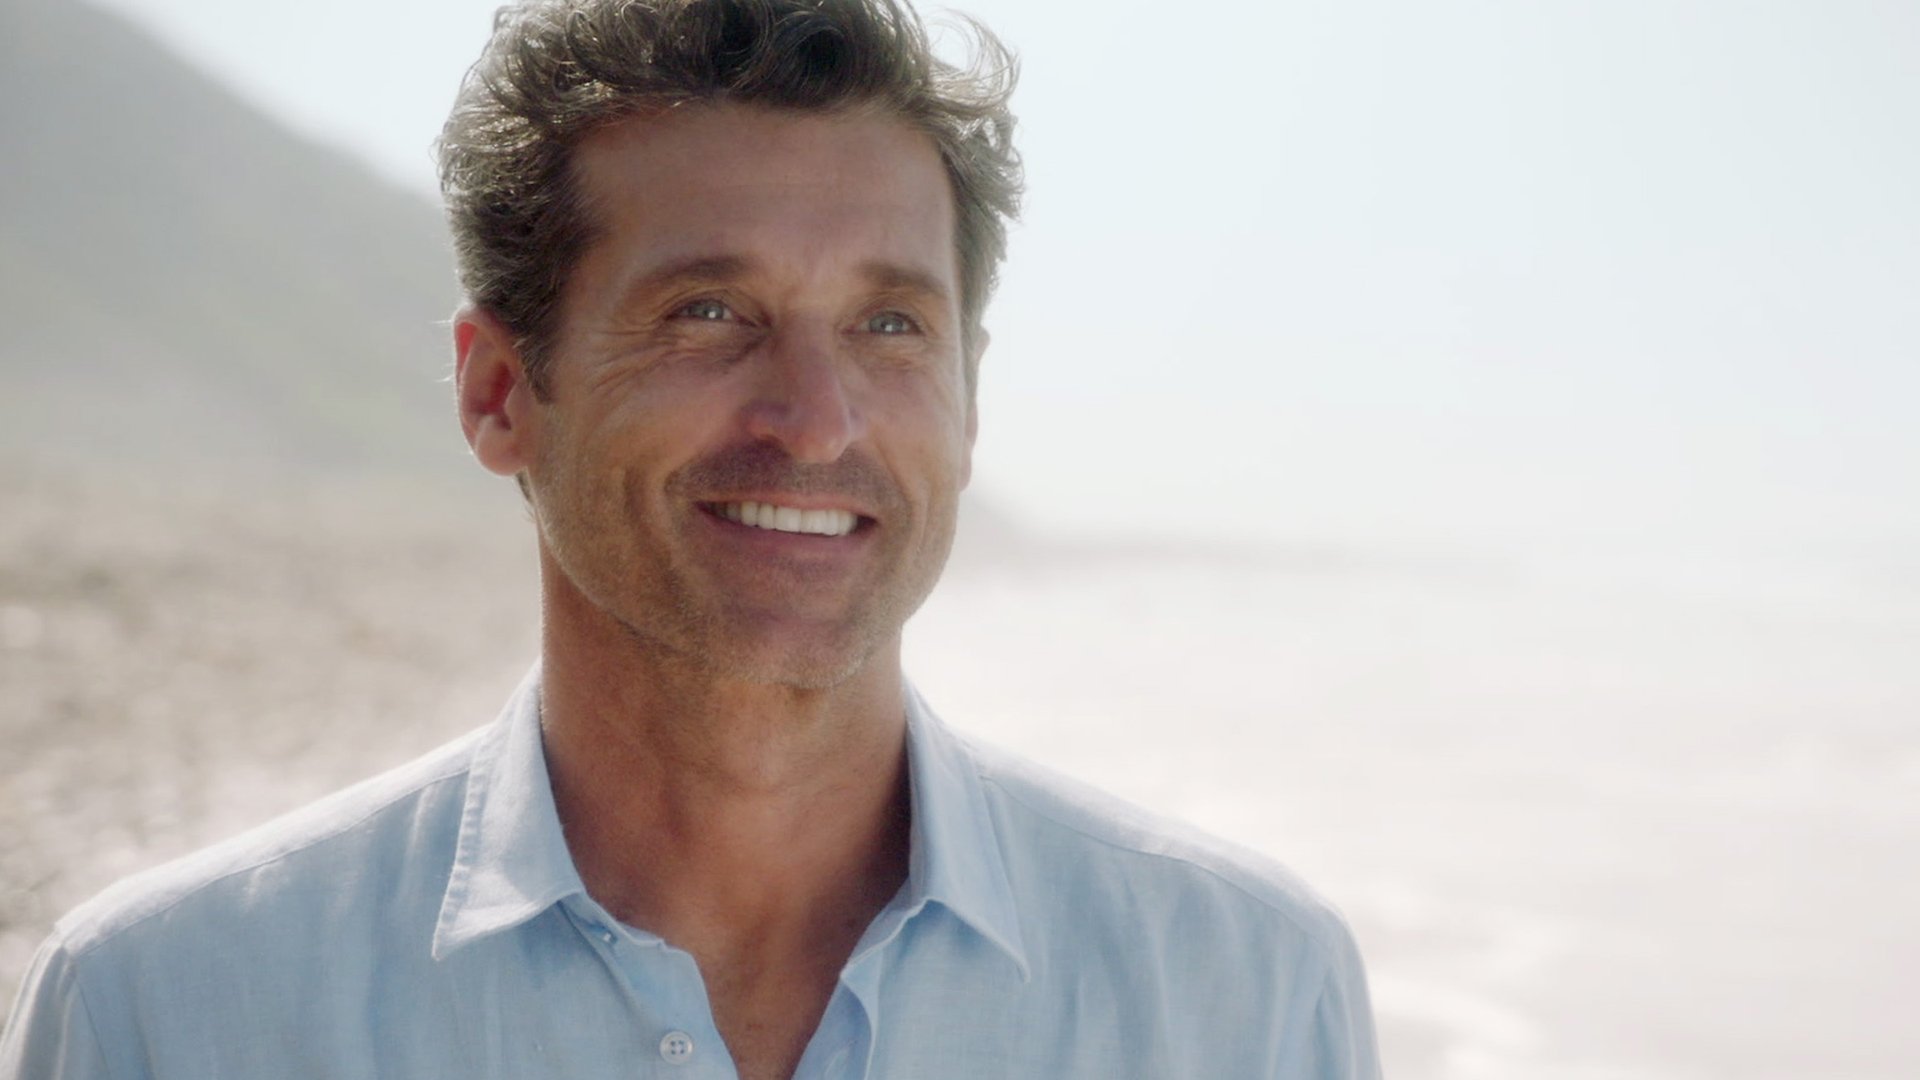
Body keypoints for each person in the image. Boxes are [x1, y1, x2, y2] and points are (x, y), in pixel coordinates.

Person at [1, 1, 1380, 1076]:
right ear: (498, 393)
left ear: (970, 402)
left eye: (890, 324)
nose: (817, 421)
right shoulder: (167, 1012)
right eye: (709, 313)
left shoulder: (1247, 995)